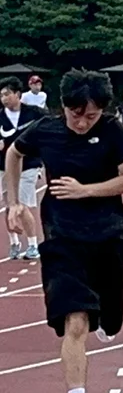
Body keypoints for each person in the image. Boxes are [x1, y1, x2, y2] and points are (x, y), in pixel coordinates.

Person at [5, 69, 123, 393]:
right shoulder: (46, 130)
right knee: (75, 322)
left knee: (110, 320)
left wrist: (86, 190)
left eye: (90, 116)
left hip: (110, 234)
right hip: (62, 238)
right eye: (75, 114)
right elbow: (13, 154)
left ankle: (109, 321)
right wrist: (14, 203)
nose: (82, 123)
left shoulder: (112, 131)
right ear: (63, 106)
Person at [1, 77, 44, 260]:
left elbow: (48, 131)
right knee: (9, 204)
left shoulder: (35, 114)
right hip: (3, 166)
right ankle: (14, 242)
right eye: (1, 95)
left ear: (17, 94)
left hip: (29, 165)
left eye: (7, 94)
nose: (3, 98)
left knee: (23, 204)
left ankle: (33, 244)